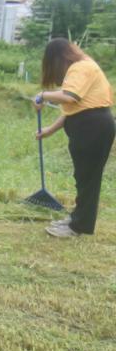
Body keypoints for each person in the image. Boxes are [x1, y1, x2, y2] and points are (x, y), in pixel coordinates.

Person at [34, 38, 114, 239]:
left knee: (88, 179)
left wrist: (43, 95)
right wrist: (50, 130)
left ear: (57, 59)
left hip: (92, 128)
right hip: (89, 126)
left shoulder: (81, 68)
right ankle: (77, 219)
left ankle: (78, 226)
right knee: (83, 178)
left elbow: (70, 97)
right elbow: (73, 109)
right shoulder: (83, 67)